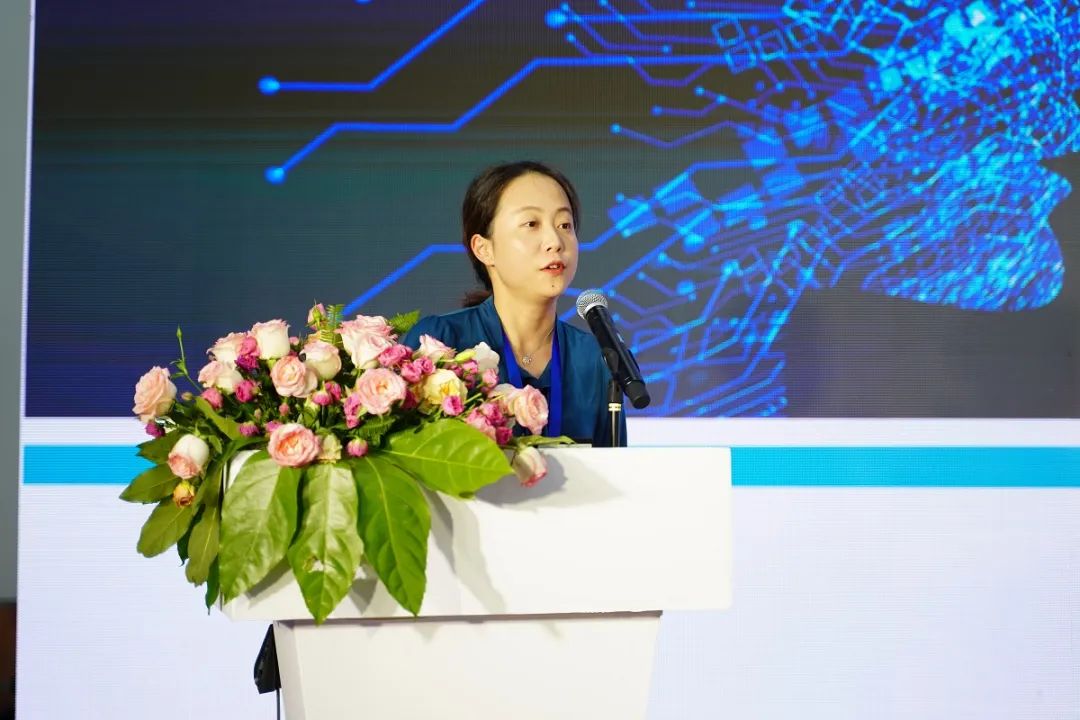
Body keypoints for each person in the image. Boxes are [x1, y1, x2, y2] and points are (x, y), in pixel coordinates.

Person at [401, 160, 627, 447]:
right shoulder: (440, 344)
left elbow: (616, 468)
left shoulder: (596, 358)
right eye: (531, 224)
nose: (555, 241)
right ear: (484, 249)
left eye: (565, 225)